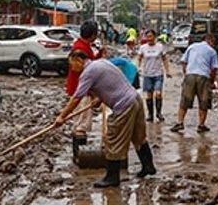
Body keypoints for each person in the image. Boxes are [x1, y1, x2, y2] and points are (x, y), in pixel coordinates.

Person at [56, 51, 156, 187]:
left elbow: (76, 98)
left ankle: (112, 177)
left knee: (113, 138)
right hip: (134, 98)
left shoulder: (88, 72)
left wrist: (62, 116)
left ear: (79, 60)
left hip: (124, 105)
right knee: (139, 136)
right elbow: (112, 83)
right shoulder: (101, 63)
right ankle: (148, 166)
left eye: (72, 64)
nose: (72, 68)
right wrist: (99, 98)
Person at [66, 20, 105, 145]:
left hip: (81, 88)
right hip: (81, 89)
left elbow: (90, 65)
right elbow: (86, 70)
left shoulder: (82, 45)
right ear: (93, 35)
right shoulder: (80, 48)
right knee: (81, 124)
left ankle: (78, 154)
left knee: (81, 121)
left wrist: (99, 55)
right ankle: (79, 155)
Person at [172, 33, 218, 133]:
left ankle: (180, 123)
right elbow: (214, 69)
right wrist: (211, 81)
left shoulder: (192, 47)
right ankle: (201, 125)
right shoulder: (212, 51)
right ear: (209, 40)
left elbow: (184, 62)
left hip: (190, 75)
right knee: (204, 101)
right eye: (213, 42)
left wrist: (186, 74)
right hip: (204, 77)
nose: (213, 44)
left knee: (185, 100)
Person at [137, 29, 170, 121]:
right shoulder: (143, 48)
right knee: (149, 95)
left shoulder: (160, 47)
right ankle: (150, 114)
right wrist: (138, 68)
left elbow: (164, 59)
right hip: (147, 74)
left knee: (158, 93)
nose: (149, 38)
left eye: (151, 36)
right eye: (147, 36)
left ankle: (159, 113)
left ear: (155, 37)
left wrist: (167, 71)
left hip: (158, 74)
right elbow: (139, 58)